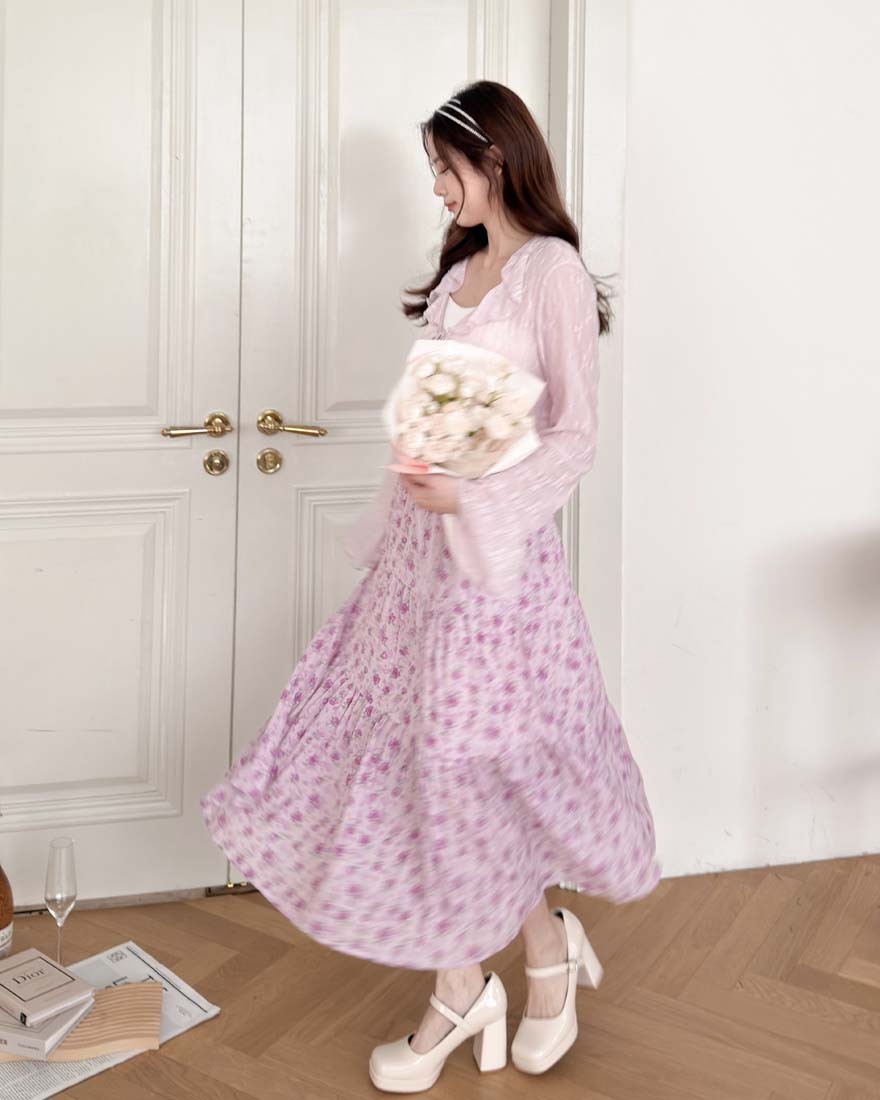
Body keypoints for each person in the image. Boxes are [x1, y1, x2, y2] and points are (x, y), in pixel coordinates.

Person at [200, 79, 662, 1093]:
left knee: (476, 770)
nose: (436, 189)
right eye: (429, 172)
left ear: (495, 159)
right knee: (420, 767)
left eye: (444, 169)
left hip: (494, 571)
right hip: (419, 564)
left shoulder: (551, 273)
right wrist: (402, 501)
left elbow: (575, 436)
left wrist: (475, 501)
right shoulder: (459, 272)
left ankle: (503, 974)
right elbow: (434, 420)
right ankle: (488, 975)